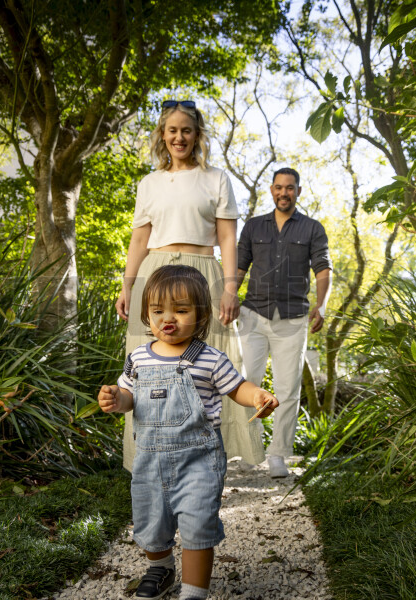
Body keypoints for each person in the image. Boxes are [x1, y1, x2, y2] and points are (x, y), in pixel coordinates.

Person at [99, 265, 278, 600]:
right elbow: (128, 397)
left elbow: (237, 387)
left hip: (199, 460)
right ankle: (161, 567)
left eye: (181, 311)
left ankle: (194, 593)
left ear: (201, 315)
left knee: (198, 525)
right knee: (151, 523)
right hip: (150, 462)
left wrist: (257, 395)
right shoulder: (137, 358)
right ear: (146, 315)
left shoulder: (209, 359)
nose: (169, 319)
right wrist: (115, 399)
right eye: (158, 311)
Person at [116, 99, 265, 471]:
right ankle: (149, 456)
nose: (179, 137)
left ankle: (215, 455)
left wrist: (230, 288)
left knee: (217, 356)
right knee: (149, 358)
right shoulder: (149, 183)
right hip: (155, 272)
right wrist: (127, 287)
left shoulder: (216, 178)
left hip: (204, 270)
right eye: (172, 130)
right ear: (162, 136)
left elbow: (228, 239)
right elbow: (138, 240)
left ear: (197, 135)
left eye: (186, 130)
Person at [236, 167, 332, 478]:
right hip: (252, 314)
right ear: (271, 190)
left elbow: (322, 269)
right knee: (245, 382)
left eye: (289, 188)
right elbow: (238, 267)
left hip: (292, 319)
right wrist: (227, 297)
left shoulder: (312, 229)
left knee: (287, 389)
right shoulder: (253, 227)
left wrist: (322, 306)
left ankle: (278, 455)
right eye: (278, 187)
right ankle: (250, 451)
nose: (283, 193)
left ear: (298, 192)